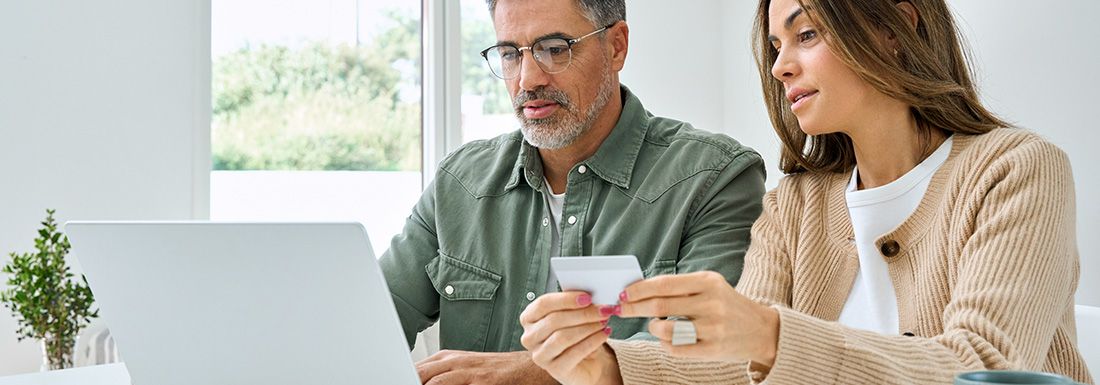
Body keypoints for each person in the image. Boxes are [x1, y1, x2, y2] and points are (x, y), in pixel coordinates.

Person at [519, 0, 1094, 384]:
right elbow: (736, 361)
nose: (779, 67)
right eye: (774, 46)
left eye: (807, 33)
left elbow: (984, 368)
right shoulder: (796, 201)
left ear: (894, 28)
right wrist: (609, 365)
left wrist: (772, 335)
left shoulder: (1019, 170)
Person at [378, 0, 766, 383]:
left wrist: (533, 374)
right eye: (510, 53)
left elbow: (714, 354)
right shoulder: (459, 182)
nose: (528, 79)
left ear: (616, 46)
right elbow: (369, 318)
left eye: (554, 49)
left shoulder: (714, 178)